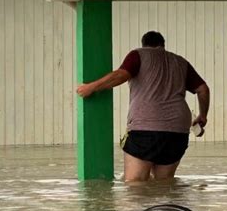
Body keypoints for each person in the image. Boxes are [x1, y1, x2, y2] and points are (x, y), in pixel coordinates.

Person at [77, 31, 210, 182]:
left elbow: (120, 75)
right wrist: (202, 115)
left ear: (144, 44)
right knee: (165, 182)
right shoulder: (180, 62)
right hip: (177, 131)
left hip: (145, 128)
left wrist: (91, 87)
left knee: (135, 183)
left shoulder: (138, 55)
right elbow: (203, 89)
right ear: (163, 45)